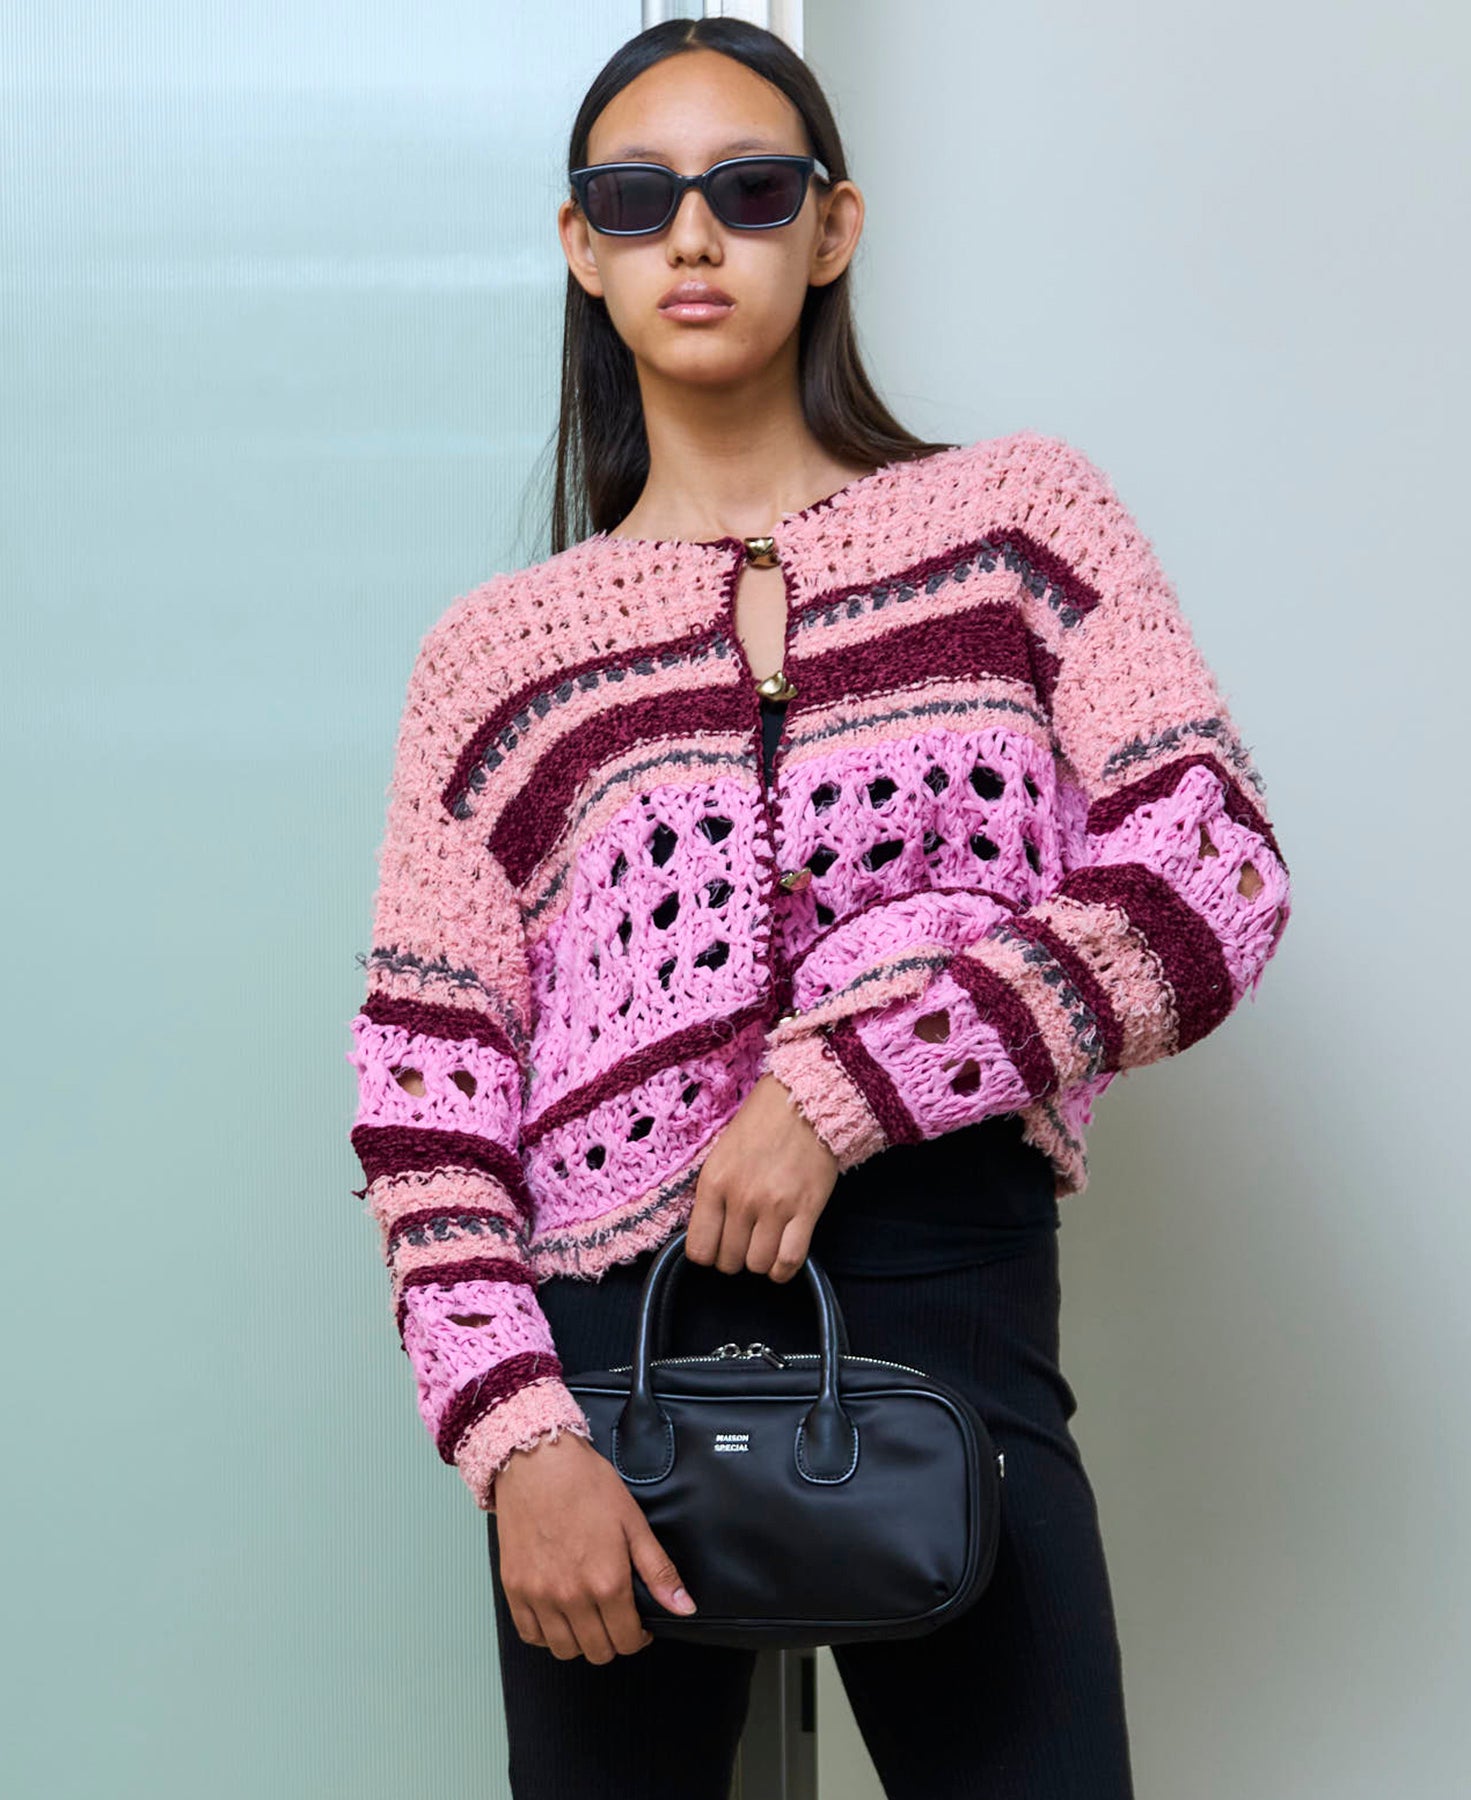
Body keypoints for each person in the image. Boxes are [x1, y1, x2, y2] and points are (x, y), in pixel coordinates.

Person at [344, 17, 1292, 1799]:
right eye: (639, 200)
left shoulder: (1018, 528)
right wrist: (515, 1436)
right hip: (608, 1357)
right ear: (583, 248)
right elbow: (426, 1098)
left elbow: (1211, 867)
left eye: (750, 189)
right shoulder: (497, 662)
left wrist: (845, 1086)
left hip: (949, 1298)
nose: (694, 236)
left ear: (833, 225)